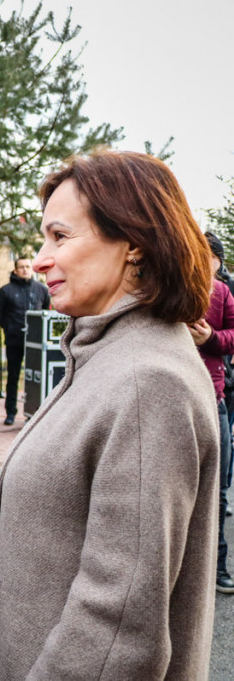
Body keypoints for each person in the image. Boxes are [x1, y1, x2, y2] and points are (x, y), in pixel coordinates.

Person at [0, 150, 218, 679]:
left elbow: (118, 627)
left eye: (60, 237)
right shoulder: (110, 354)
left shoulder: (145, 381)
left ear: (133, 244)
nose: (39, 259)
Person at [192, 233, 234, 593]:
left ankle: (217, 567)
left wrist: (210, 339)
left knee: (219, 490)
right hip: (172, 402)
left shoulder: (221, 293)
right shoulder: (163, 288)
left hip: (214, 398)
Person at [0, 257, 50, 424]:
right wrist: (9, 327)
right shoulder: (5, 291)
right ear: (15, 270)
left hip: (37, 345)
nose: (25, 270)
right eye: (21, 267)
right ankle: (10, 412)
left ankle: (34, 412)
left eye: (28, 266)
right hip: (14, 341)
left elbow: (46, 311)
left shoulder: (41, 290)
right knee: (13, 377)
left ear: (32, 269)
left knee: (35, 377)